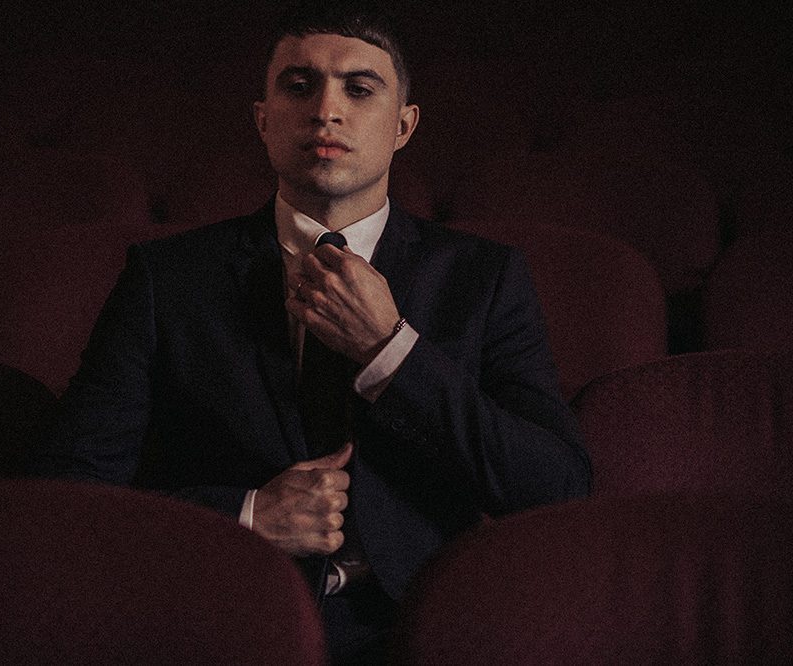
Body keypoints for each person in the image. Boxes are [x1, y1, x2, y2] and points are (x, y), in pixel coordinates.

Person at [35, 2, 591, 662]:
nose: (326, 110)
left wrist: (391, 350)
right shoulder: (167, 278)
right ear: (263, 119)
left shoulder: (485, 277)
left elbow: (557, 486)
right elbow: (71, 491)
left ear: (403, 125)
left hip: (422, 632)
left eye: (359, 89)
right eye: (299, 87)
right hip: (223, 622)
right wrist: (246, 516)